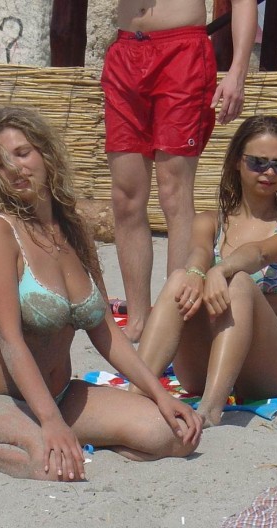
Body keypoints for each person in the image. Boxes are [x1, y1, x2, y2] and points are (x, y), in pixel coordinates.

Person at [0, 106, 203, 482]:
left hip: (62, 396)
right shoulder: (0, 233)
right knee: (49, 467)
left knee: (176, 435)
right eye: (1, 163)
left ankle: (69, 435)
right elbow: (9, 339)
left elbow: (103, 328)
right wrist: (49, 422)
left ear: (46, 154)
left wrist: (160, 394)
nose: (15, 168)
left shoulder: (75, 231)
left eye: (22, 153)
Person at [134, 115, 277, 427]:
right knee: (182, 277)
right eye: (258, 163)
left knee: (241, 283)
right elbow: (199, 252)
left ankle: (210, 410)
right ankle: (136, 391)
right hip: (204, 367)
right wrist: (198, 270)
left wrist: (221, 271)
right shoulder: (210, 222)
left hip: (271, 371)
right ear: (237, 161)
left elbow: (261, 252)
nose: (270, 172)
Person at [102, 0, 258, 343]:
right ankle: (140, 319)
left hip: (182, 51)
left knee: (174, 193)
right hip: (127, 48)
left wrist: (237, 72)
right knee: (125, 196)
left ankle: (174, 318)